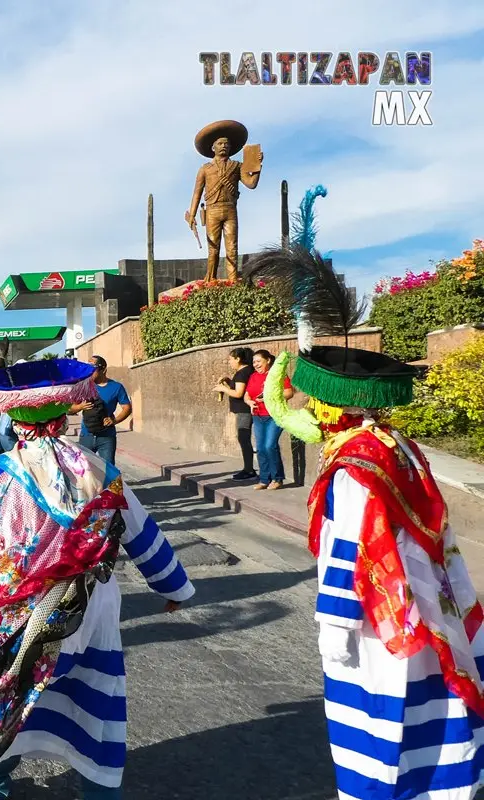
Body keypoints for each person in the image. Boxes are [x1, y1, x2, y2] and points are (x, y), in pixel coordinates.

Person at [247, 200, 484, 800]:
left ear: (331, 405)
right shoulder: (397, 446)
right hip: (427, 602)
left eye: (314, 403)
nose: (306, 411)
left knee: (380, 728)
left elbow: (350, 545)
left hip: (380, 621)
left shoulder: (352, 467)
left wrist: (334, 625)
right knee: (434, 719)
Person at [0, 358, 193, 800]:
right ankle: (97, 788)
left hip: (11, 602)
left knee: (9, 688)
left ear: (15, 419)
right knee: (91, 695)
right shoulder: (99, 470)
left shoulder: (0, 470)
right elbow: (140, 531)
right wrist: (173, 587)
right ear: (61, 416)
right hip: (85, 603)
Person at [245, 348, 292, 490]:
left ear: (268, 360)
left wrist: (270, 397)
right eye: (254, 362)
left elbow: (289, 393)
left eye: (259, 361)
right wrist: (249, 402)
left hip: (274, 416)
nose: (256, 364)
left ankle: (277, 478)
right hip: (258, 416)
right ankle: (264, 479)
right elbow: (247, 395)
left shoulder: (278, 375)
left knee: (269, 446)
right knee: (260, 448)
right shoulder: (253, 377)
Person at [72, 355, 132, 466]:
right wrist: (80, 407)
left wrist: (115, 421)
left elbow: (127, 407)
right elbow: (70, 409)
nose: (89, 373)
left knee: (108, 471)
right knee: (85, 470)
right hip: (86, 436)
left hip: (107, 437)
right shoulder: (83, 386)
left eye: (92, 370)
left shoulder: (116, 387)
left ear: (103, 370)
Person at [213, 347, 255, 480]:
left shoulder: (243, 373)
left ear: (238, 359)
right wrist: (228, 381)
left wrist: (223, 388)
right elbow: (238, 386)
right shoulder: (245, 371)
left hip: (244, 410)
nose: (229, 362)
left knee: (243, 437)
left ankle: (249, 470)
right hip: (243, 410)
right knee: (243, 438)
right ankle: (248, 468)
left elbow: (239, 393)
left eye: (231, 359)